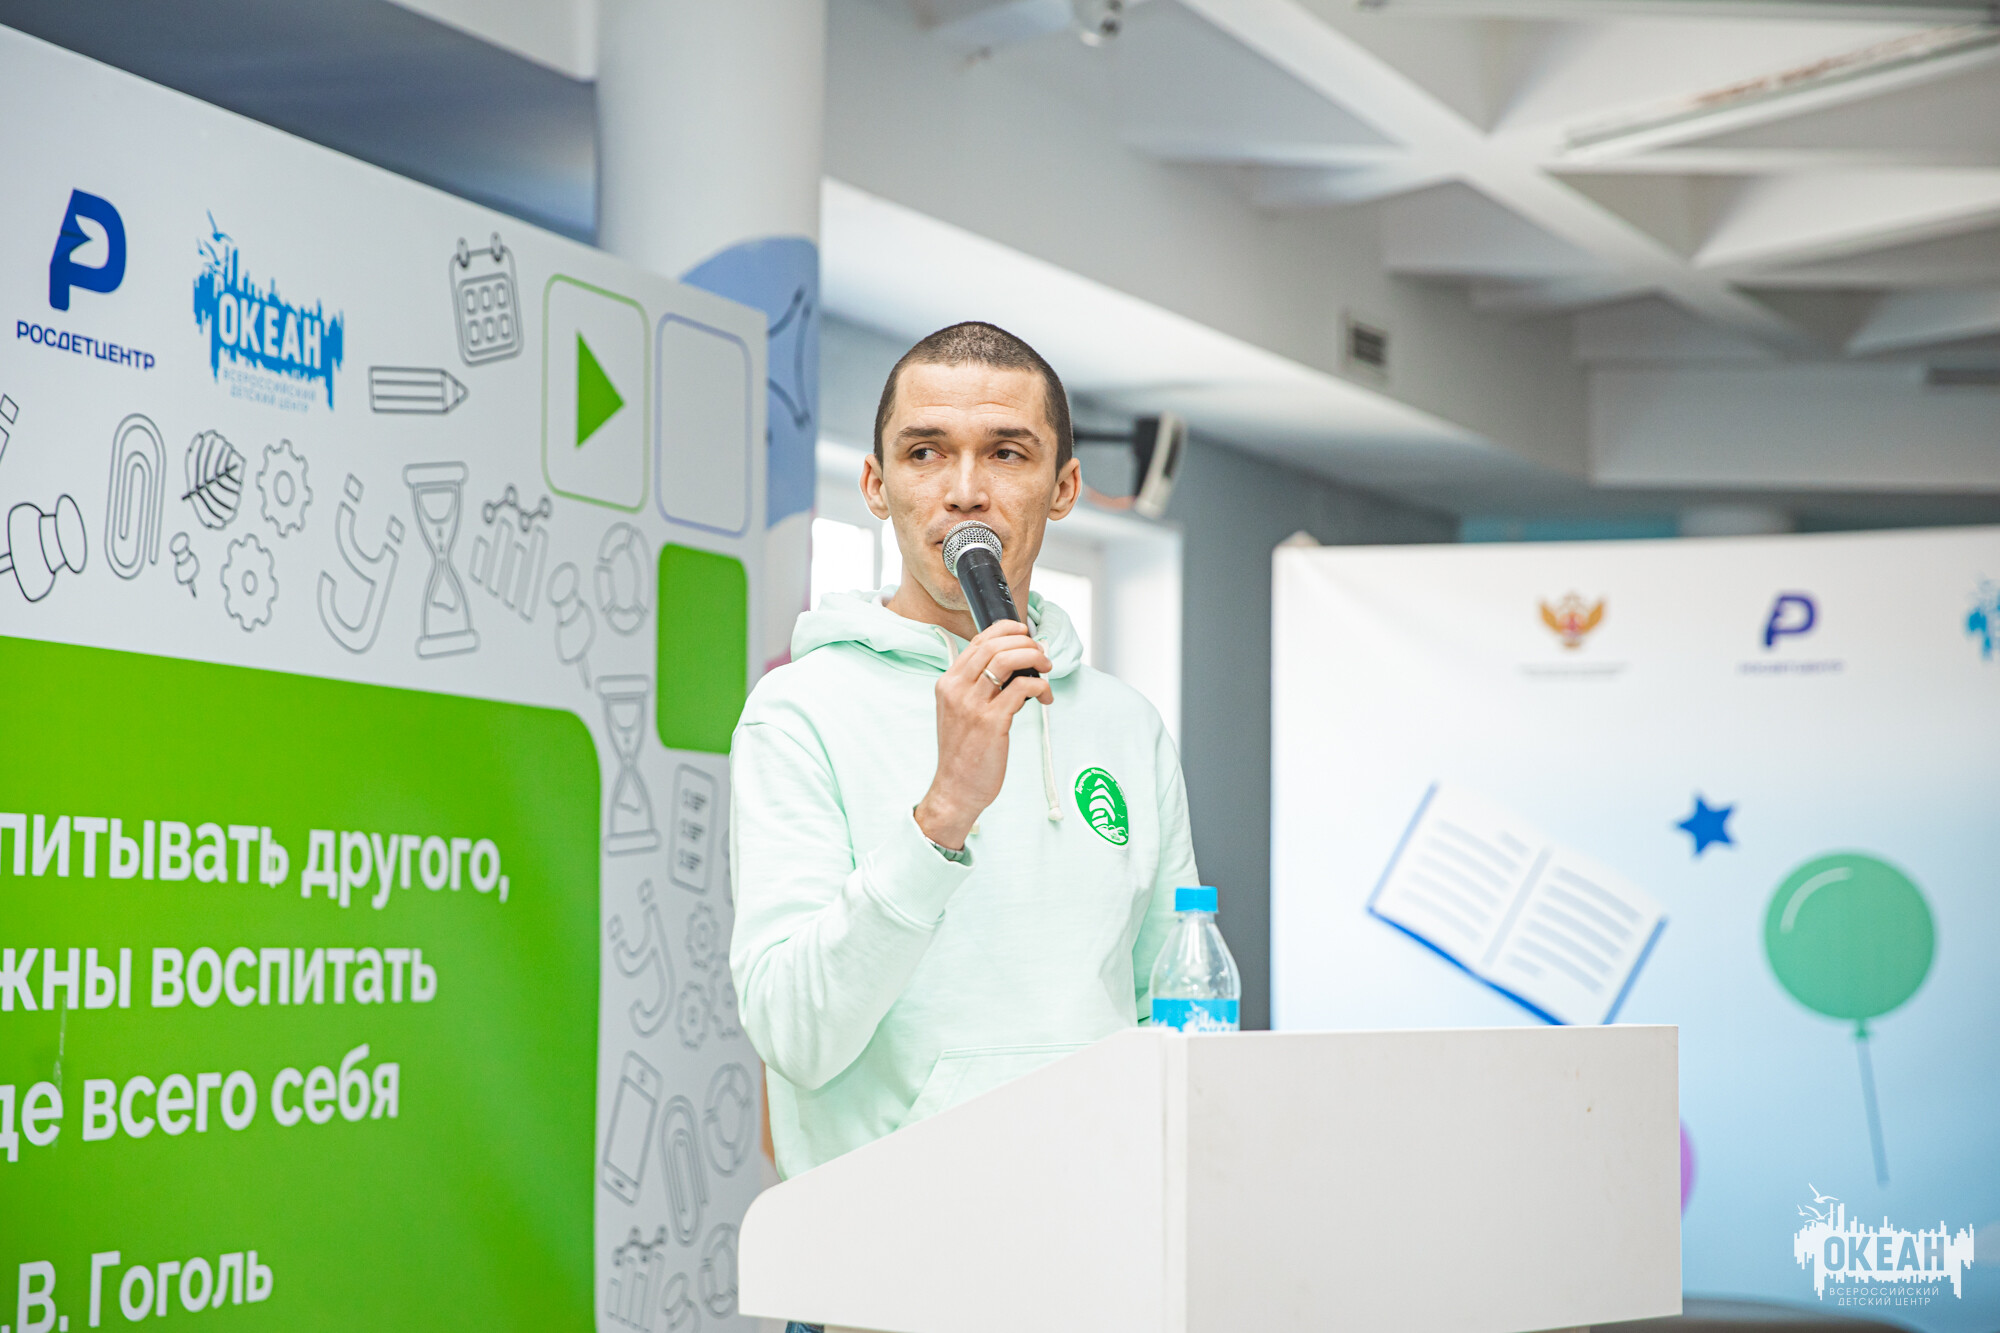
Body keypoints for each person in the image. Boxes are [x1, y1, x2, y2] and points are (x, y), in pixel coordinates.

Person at [728, 321, 1198, 1296]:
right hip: (888, 1278)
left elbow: (1177, 1015)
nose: (964, 490)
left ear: (1063, 486)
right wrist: (943, 810)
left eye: (1006, 453)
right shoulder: (797, 711)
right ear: (875, 484)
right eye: (925, 452)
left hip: (1101, 1265)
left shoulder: (1127, 724)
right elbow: (796, 1033)